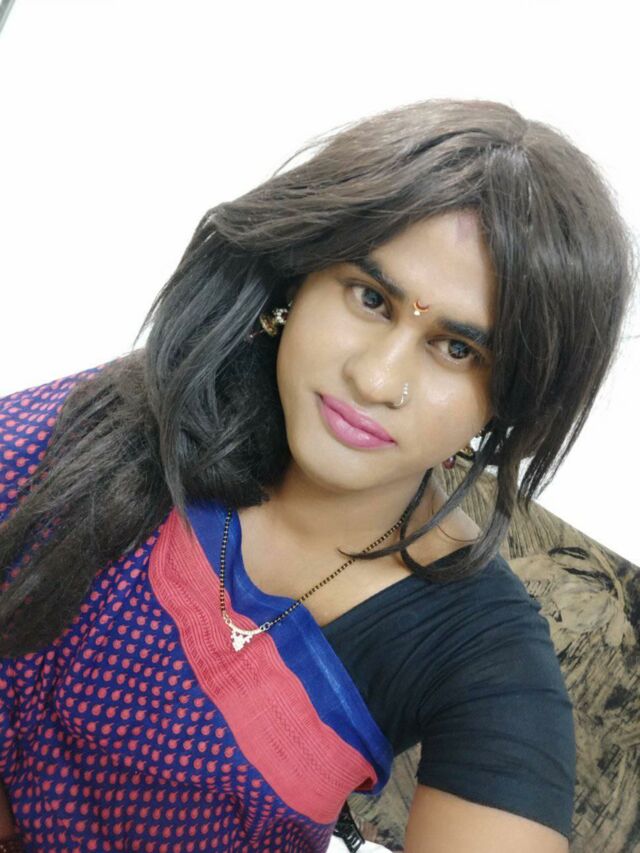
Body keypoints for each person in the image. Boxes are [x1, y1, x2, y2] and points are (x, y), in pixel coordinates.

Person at [0, 98, 635, 853]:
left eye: (458, 349)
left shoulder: (482, 652)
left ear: (510, 400)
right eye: (371, 298)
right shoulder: (130, 421)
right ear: (297, 282)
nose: (376, 378)